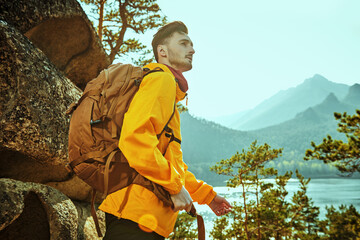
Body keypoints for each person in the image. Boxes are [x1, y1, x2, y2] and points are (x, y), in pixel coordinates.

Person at [99, 21, 232, 240]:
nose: (192, 49)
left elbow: (172, 166)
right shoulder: (162, 80)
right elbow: (134, 138)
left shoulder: (167, 90)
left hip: (144, 217)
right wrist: (173, 187)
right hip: (135, 216)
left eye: (192, 45)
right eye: (184, 43)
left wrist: (207, 196)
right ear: (162, 51)